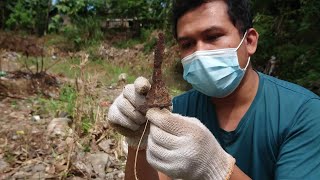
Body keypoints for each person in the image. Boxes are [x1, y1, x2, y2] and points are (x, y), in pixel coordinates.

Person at [107, 0, 320, 179]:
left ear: (250, 41)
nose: (199, 52)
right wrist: (139, 141)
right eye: (187, 44)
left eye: (213, 36)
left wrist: (217, 167)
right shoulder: (177, 110)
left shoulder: (304, 114)